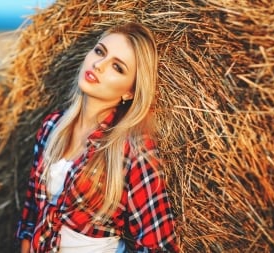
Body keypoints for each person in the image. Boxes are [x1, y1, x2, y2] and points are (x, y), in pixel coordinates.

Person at [16, 22, 179, 253]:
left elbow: (160, 246)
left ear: (129, 91)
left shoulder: (132, 147)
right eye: (100, 51)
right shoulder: (52, 126)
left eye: (117, 67)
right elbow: (31, 217)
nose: (99, 65)